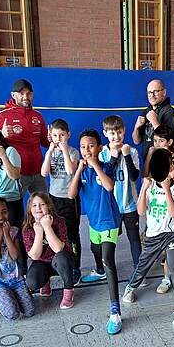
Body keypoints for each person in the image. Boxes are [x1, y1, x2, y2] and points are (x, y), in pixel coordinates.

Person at [122, 149, 174, 327]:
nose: (169, 170)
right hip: (153, 234)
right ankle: (130, 288)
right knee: (143, 264)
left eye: (170, 166)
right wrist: (144, 189)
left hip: (171, 233)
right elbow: (140, 211)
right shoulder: (150, 185)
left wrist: (167, 189)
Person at [68, 129, 123, 334]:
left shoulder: (107, 166)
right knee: (95, 249)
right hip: (93, 223)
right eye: (83, 146)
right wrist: (79, 172)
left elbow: (109, 187)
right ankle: (99, 271)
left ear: (99, 148)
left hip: (109, 221)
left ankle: (115, 311)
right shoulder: (81, 171)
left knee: (108, 260)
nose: (86, 150)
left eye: (91, 145)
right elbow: (71, 194)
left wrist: (95, 166)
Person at [98, 115, 142, 274]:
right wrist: (114, 155)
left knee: (134, 238)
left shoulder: (133, 151)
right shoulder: (102, 153)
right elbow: (104, 178)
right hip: (111, 207)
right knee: (109, 242)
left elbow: (134, 177)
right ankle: (106, 271)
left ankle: (138, 271)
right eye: (112, 133)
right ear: (105, 133)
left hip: (130, 205)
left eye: (119, 132)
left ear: (124, 131)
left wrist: (127, 155)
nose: (116, 137)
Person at [0, 78, 50, 197]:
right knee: (15, 207)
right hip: (17, 172)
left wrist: (53, 139)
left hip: (37, 172)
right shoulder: (2, 114)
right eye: (21, 93)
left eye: (28, 93)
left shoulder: (37, 116)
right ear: (13, 95)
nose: (25, 96)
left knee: (44, 206)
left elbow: (45, 142)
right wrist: (1, 135)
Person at [0, 198, 35, 320]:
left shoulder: (14, 230)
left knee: (30, 311)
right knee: (12, 314)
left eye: (4, 212)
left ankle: (12, 295)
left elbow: (15, 256)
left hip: (16, 279)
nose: (1, 216)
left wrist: (6, 235)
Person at [41, 119, 82, 283]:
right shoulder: (50, 152)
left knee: (72, 234)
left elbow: (71, 170)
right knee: (56, 232)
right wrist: (50, 152)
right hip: (54, 198)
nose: (58, 138)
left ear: (68, 135)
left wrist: (64, 149)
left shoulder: (73, 152)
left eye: (62, 135)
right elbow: (44, 173)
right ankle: (60, 264)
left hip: (70, 199)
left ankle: (75, 267)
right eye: (55, 135)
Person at [22, 192, 77, 309]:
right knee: (31, 282)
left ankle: (68, 291)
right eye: (34, 205)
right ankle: (45, 281)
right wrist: (38, 232)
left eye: (42, 204)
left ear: (48, 206)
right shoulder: (27, 227)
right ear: (30, 209)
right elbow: (34, 256)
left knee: (62, 257)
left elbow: (58, 249)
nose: (38, 208)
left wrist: (47, 227)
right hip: (42, 262)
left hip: (60, 261)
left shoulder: (59, 221)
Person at [132, 79, 174, 163]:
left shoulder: (169, 112)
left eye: (155, 92)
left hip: (165, 163)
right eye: (149, 92)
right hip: (148, 161)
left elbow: (171, 141)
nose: (152, 95)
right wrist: (136, 127)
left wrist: (155, 122)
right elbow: (136, 141)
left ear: (164, 92)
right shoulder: (147, 111)